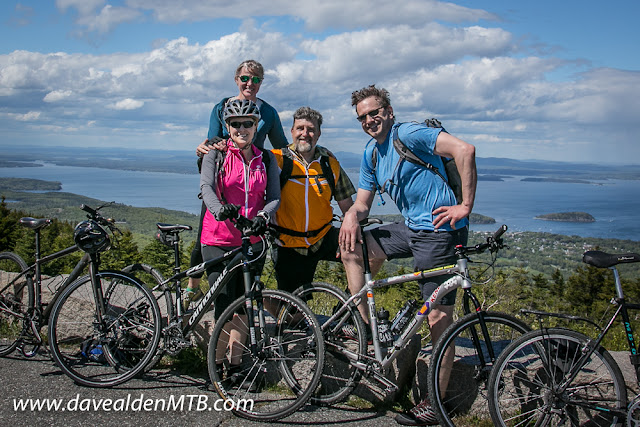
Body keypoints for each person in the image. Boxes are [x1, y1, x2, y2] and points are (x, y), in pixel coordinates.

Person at [339, 85, 477, 426]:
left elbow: (465, 150)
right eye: (363, 117)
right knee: (353, 248)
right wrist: (349, 217)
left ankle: (435, 402)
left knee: (437, 319)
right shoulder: (372, 152)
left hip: (440, 232)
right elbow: (362, 202)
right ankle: (365, 326)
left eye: (374, 112)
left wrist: (465, 206)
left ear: (388, 110)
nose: (370, 120)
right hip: (412, 228)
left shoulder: (410, 134)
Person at [185, 59, 288, 309]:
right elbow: (213, 141)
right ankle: (192, 288)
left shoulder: (269, 112)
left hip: (254, 178)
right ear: (236, 79)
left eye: (255, 79)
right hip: (225, 178)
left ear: (261, 82)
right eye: (245, 78)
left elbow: (282, 147)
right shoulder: (221, 107)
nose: (249, 83)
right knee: (205, 236)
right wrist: (205, 148)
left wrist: (275, 175)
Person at [199, 98, 280, 382]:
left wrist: (264, 215)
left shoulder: (266, 158)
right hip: (218, 239)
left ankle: (235, 365)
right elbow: (206, 187)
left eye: (248, 123)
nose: (242, 128)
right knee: (223, 306)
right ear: (227, 126)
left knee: (246, 304)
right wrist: (219, 210)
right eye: (236, 124)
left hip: (252, 240)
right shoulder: (216, 155)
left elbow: (274, 197)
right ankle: (215, 366)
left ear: (256, 126)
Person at [270, 106, 356, 293]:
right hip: (288, 243)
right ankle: (271, 302)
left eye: (311, 129)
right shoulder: (276, 161)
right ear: (291, 132)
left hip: (323, 237)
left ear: (318, 134)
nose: (305, 133)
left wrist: (348, 235)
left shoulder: (329, 164)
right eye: (300, 128)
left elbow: (348, 207)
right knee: (294, 314)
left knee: (366, 252)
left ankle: (348, 309)